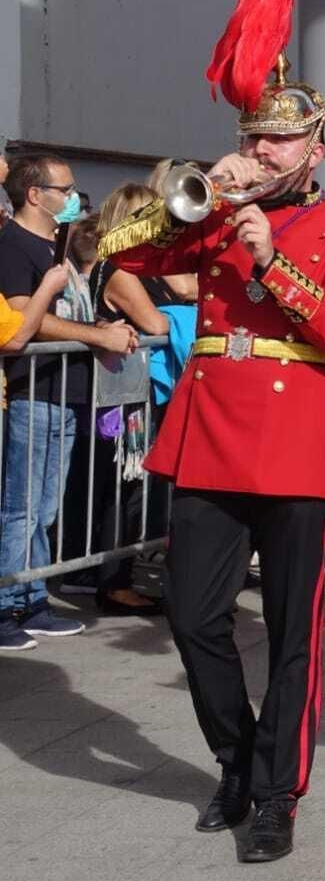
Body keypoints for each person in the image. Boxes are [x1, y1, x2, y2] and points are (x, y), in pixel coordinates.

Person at [98, 0, 325, 862]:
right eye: (253, 136)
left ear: (315, 146)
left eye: (279, 138)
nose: (261, 149)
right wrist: (206, 197)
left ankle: (276, 790)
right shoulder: (218, 214)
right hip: (213, 434)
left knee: (294, 632)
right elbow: (124, 251)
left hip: (297, 441)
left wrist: (270, 263)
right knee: (193, 615)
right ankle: (234, 754)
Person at [0, 154, 136, 650]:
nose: (74, 198)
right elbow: (24, 322)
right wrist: (95, 335)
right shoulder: (13, 245)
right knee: (22, 509)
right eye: (66, 188)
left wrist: (101, 331)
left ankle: (33, 599)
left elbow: (67, 313)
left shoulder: (55, 245)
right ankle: (7, 605)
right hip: (35, 394)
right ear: (35, 194)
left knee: (45, 510)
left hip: (64, 394)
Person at [66, 197, 170, 615]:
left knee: (119, 488)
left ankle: (113, 578)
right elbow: (157, 324)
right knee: (122, 491)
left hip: (119, 391)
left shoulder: (115, 266)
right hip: (123, 399)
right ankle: (115, 583)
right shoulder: (121, 269)